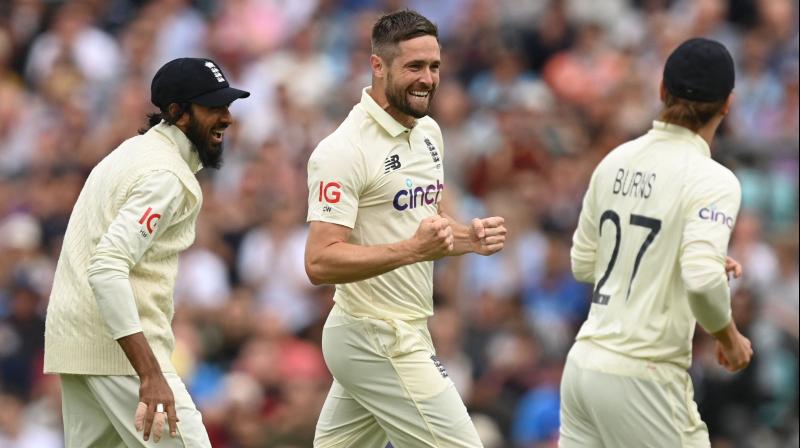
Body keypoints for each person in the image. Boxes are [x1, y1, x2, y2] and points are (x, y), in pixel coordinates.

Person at [304, 9, 507, 448]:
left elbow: (421, 229)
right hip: (376, 334)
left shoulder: (429, 132)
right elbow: (319, 261)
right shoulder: (342, 150)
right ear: (378, 66)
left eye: (434, 66)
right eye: (414, 66)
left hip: (403, 329)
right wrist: (413, 249)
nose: (428, 79)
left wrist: (470, 238)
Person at [44, 57, 249, 447]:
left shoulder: (132, 152)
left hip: (80, 342)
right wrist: (150, 373)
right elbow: (107, 267)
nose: (227, 117)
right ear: (177, 113)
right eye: (213, 107)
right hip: (120, 352)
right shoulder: (165, 175)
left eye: (227, 106)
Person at [560, 38, 754, 447]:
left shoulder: (615, 160)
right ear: (727, 105)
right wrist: (730, 339)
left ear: (662, 90)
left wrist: (672, 255)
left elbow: (583, 264)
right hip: (643, 376)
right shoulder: (713, 180)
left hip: (583, 368)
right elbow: (701, 280)